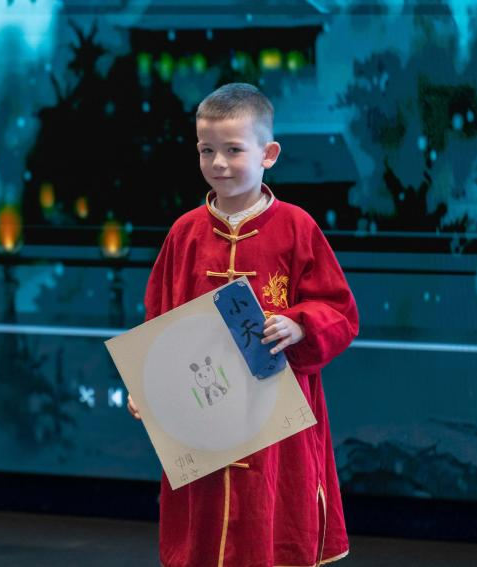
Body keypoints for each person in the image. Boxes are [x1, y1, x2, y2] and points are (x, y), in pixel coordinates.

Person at [128, 82, 360, 566]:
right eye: (206, 150)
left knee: (271, 525)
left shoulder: (296, 227)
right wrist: (146, 385)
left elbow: (339, 311)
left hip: (274, 421)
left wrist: (298, 325)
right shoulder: (185, 233)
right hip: (204, 411)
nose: (218, 163)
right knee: (204, 528)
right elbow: (159, 318)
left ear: (268, 154)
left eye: (233, 150)